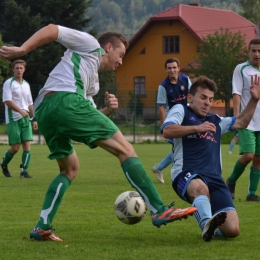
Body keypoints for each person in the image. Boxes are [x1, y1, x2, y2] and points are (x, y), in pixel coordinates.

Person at [0, 24, 197, 242]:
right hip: (65, 101)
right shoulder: (91, 45)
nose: (121, 61)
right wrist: (22, 50)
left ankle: (42, 226)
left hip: (45, 112)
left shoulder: (91, 82)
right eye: (120, 54)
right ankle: (159, 209)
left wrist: (109, 111)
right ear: (108, 47)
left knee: (70, 169)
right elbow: (52, 29)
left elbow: (88, 121)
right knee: (126, 150)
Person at [161, 75, 260, 242]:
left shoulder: (216, 121)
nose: (207, 102)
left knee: (233, 230)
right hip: (186, 174)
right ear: (190, 98)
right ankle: (207, 224)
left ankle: (211, 228)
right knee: (200, 188)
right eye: (203, 97)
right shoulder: (181, 110)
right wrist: (197, 128)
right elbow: (167, 130)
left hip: (215, 179)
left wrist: (254, 100)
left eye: (211, 99)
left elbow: (242, 122)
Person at [226, 39, 260, 202]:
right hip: (247, 121)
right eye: (253, 51)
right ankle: (231, 181)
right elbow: (237, 93)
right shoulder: (242, 69)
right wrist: (236, 118)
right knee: (248, 155)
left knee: (259, 159)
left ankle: (251, 194)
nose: (257, 54)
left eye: (259, 51)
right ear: (248, 52)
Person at [152, 58, 192, 183]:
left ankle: (158, 168)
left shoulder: (185, 80)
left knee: (180, 147)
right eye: (169, 68)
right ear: (166, 69)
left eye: (174, 67)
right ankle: (178, 176)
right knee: (179, 148)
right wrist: (165, 126)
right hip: (173, 121)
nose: (172, 70)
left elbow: (192, 96)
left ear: (178, 68)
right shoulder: (163, 86)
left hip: (187, 118)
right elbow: (161, 107)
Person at [0, 59, 38, 178]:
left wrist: (34, 118)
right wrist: (21, 111)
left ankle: (24, 171)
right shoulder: (9, 83)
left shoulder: (26, 85)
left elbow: (30, 103)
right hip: (13, 119)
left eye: (21, 68)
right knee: (15, 148)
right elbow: (7, 101)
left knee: (27, 145)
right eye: (17, 68)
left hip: (25, 119)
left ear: (24, 70)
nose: (19, 70)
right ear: (13, 70)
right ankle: (4, 163)